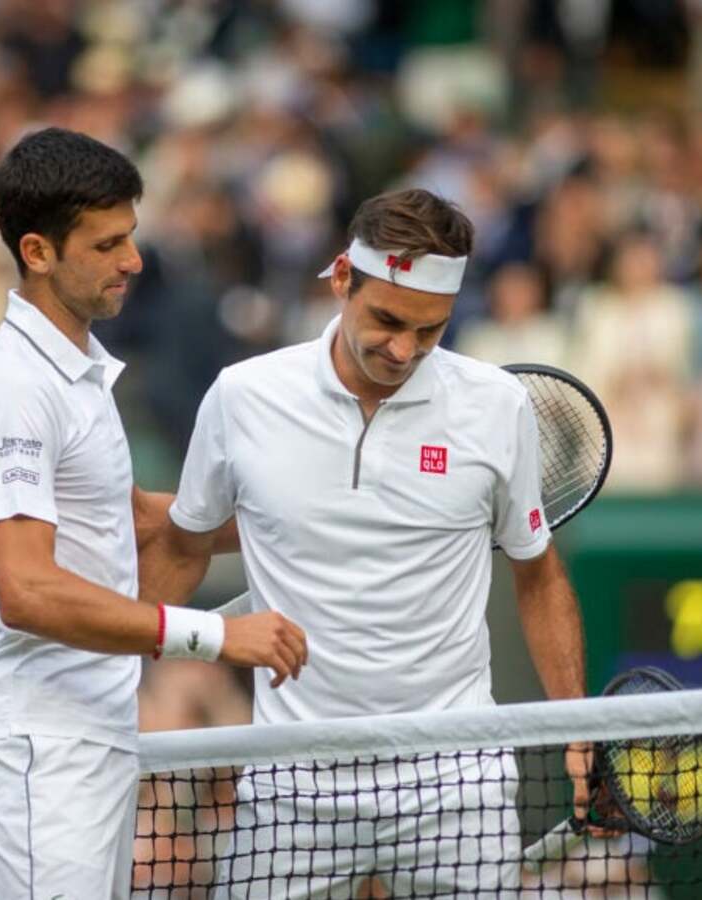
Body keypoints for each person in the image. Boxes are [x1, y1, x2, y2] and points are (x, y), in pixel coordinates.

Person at [142, 188, 592, 896]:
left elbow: (539, 575)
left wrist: (581, 729)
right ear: (343, 278)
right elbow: (182, 547)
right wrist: (111, 668)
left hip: (456, 779)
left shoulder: (496, 406)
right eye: (387, 320)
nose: (404, 349)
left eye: (430, 329)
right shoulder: (242, 396)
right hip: (291, 782)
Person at [0, 127, 308, 899]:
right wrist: (216, 636)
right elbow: (25, 590)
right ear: (37, 252)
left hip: (87, 732)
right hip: (39, 745)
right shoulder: (15, 391)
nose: (133, 261)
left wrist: (310, 517)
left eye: (130, 237)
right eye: (107, 245)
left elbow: (139, 520)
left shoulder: (72, 372)